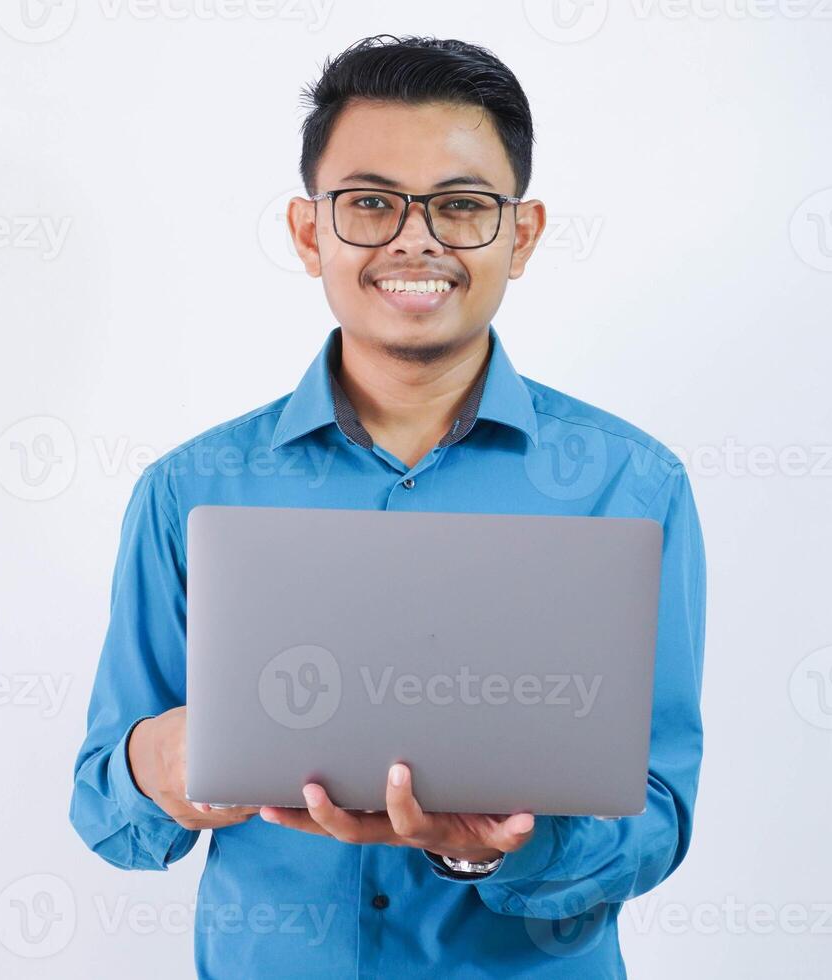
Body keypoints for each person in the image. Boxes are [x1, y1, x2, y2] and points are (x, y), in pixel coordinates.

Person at [69, 34, 707, 979]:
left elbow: (656, 816)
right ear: (308, 230)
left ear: (519, 236)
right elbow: (105, 815)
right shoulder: (189, 491)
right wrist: (156, 767)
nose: (416, 240)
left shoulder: (631, 489)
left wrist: (502, 847)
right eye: (370, 203)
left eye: (461, 207)